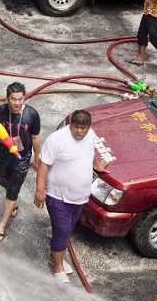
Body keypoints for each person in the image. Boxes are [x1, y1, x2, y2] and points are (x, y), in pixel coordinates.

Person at [34, 110, 108, 282]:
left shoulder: (90, 136)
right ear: (70, 125)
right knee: (62, 231)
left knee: (67, 230)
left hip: (80, 197)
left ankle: (56, 255)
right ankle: (58, 267)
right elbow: (43, 165)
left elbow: (89, 153)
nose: (79, 131)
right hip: (58, 197)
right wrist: (40, 191)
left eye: (83, 128)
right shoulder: (56, 139)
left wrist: (96, 166)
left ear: (89, 127)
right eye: (76, 127)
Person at [0, 82, 40, 244]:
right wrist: (4, 139)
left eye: (20, 99)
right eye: (13, 99)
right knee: (4, 182)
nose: (17, 103)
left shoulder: (32, 114)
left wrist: (37, 158)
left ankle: (1, 227)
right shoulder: (1, 111)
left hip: (22, 159)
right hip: (4, 156)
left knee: (12, 191)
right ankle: (14, 203)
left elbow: (35, 137)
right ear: (7, 98)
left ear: (24, 98)